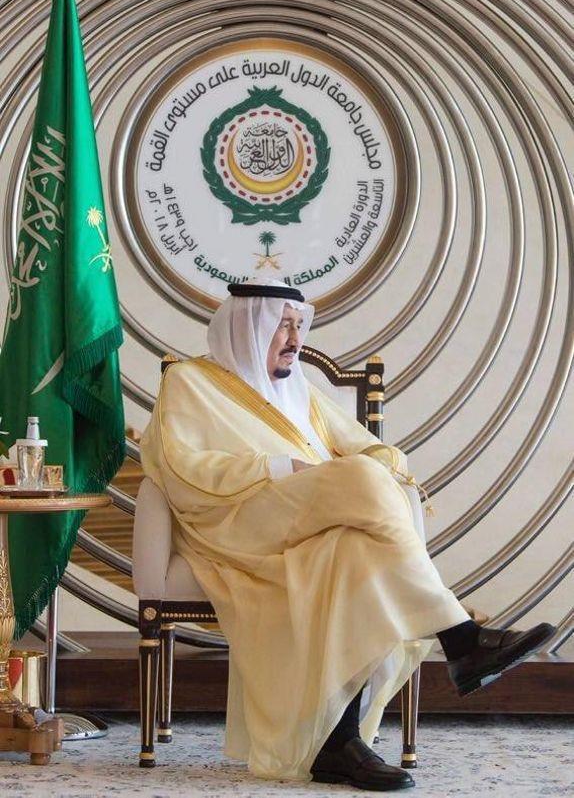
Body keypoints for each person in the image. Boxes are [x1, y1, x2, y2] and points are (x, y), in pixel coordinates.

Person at [140, 279, 555, 791]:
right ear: (248, 327)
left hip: (304, 521)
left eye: (298, 326)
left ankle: (337, 744)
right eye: (282, 326)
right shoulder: (189, 381)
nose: (294, 339)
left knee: (354, 545)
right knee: (358, 477)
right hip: (232, 520)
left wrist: (383, 468)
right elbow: (180, 465)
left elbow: (370, 448)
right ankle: (461, 638)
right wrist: (280, 466)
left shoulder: (299, 390)